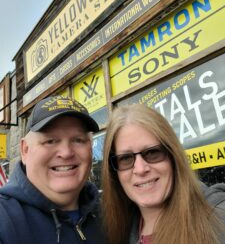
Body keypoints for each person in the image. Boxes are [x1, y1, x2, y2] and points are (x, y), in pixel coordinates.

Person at [102, 103, 225, 244]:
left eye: (153, 152)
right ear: (113, 171)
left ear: (173, 156)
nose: (141, 169)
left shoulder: (216, 216)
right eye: (126, 158)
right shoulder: (121, 227)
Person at [0, 95, 106, 244]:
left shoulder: (109, 217)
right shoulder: (4, 220)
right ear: (25, 150)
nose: (66, 152)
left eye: (78, 140)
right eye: (50, 141)